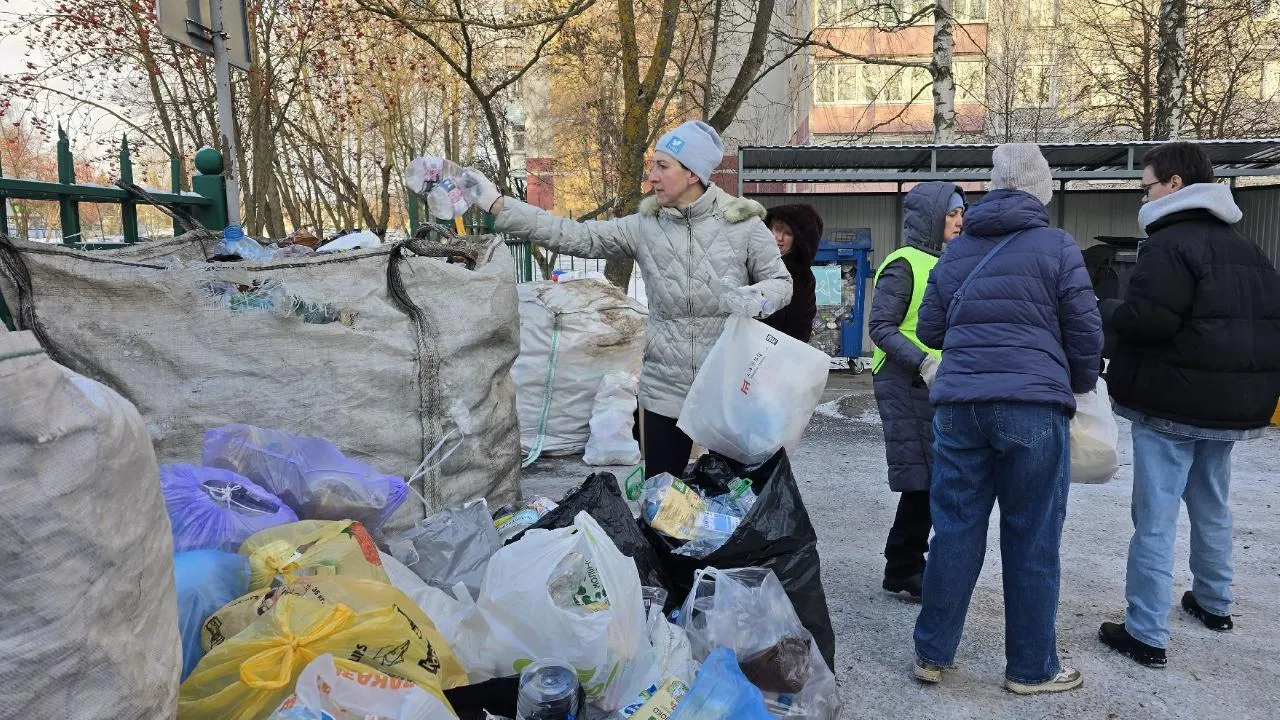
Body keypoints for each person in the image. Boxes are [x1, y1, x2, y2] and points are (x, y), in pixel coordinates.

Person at [456, 120, 792, 479]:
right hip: (665, 388)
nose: (652, 177)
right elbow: (572, 235)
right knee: (662, 503)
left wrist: (756, 298)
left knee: (734, 501)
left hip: (728, 385)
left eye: (663, 166)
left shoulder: (743, 224)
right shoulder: (643, 227)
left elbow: (781, 283)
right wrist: (496, 204)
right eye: (653, 166)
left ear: (693, 173)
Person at [910, 144, 1102, 695]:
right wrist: (1079, 385)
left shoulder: (959, 249)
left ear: (993, 187)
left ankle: (932, 652)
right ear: (1041, 189)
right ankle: (1031, 669)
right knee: (1033, 537)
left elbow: (930, 331)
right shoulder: (1057, 247)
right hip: (1032, 406)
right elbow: (1085, 332)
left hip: (960, 405)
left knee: (954, 530)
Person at [1097, 142, 1280, 668]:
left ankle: (1146, 632)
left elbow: (1151, 320)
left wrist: (1109, 308)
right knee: (1211, 503)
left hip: (1172, 402)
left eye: (1147, 185)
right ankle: (1215, 600)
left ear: (1174, 185)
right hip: (1229, 406)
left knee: (1155, 516)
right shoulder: (1246, 247)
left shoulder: (1169, 244)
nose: (1144, 194)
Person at [868, 181, 966, 600]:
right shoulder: (904, 263)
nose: (960, 221)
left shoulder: (944, 261)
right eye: (952, 213)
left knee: (928, 476)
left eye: (962, 213)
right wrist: (924, 363)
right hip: (906, 379)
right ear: (931, 217)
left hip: (933, 382)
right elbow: (880, 327)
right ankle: (905, 566)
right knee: (924, 476)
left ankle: (904, 564)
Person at [761, 204, 823, 342]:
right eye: (777, 229)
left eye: (788, 233)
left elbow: (800, 327)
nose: (779, 238)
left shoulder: (802, 278)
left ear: (798, 240)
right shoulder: (753, 264)